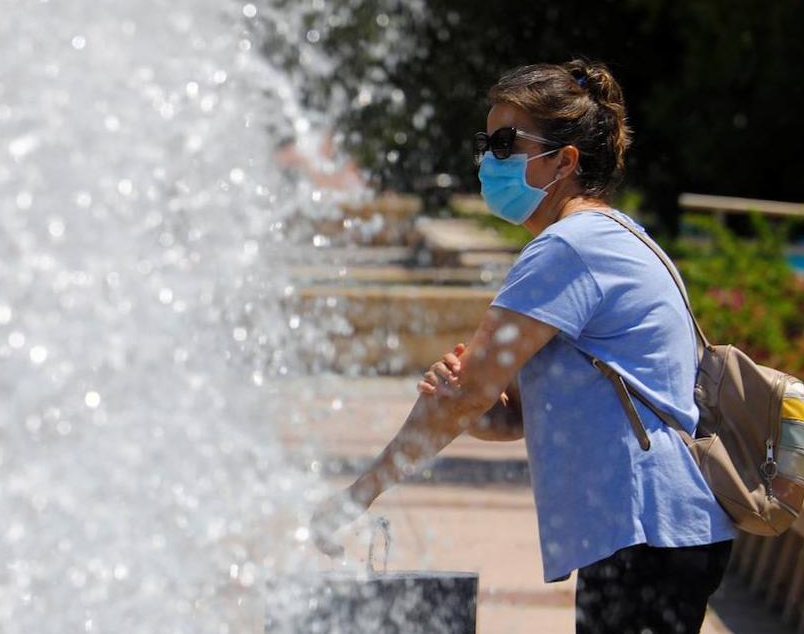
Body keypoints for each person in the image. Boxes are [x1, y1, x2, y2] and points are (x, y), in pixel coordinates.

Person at [309, 59, 737, 633]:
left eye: (507, 143)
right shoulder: (617, 236)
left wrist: (359, 494)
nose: (490, 160)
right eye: (486, 143)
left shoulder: (569, 249)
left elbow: (467, 397)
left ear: (564, 161)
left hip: (646, 529)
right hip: (657, 529)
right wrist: (468, 401)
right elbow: (511, 415)